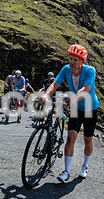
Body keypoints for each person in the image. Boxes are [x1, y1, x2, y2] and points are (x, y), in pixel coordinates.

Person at [42, 44, 100, 182]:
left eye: (75, 60)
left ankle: (84, 166)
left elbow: (85, 89)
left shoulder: (90, 70)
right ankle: (66, 171)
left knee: (87, 139)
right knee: (71, 137)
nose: (72, 62)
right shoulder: (66, 69)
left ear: (82, 61)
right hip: (76, 108)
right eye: (70, 59)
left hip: (90, 108)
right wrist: (46, 94)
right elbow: (54, 84)